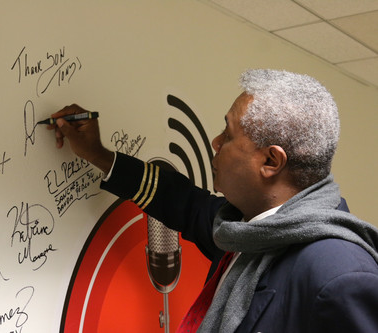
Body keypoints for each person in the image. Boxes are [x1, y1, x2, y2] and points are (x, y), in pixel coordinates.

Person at [48, 69, 378, 333]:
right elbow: (180, 201)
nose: (216, 142)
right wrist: (99, 155)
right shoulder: (246, 231)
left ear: (271, 162)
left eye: (229, 134)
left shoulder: (338, 272)